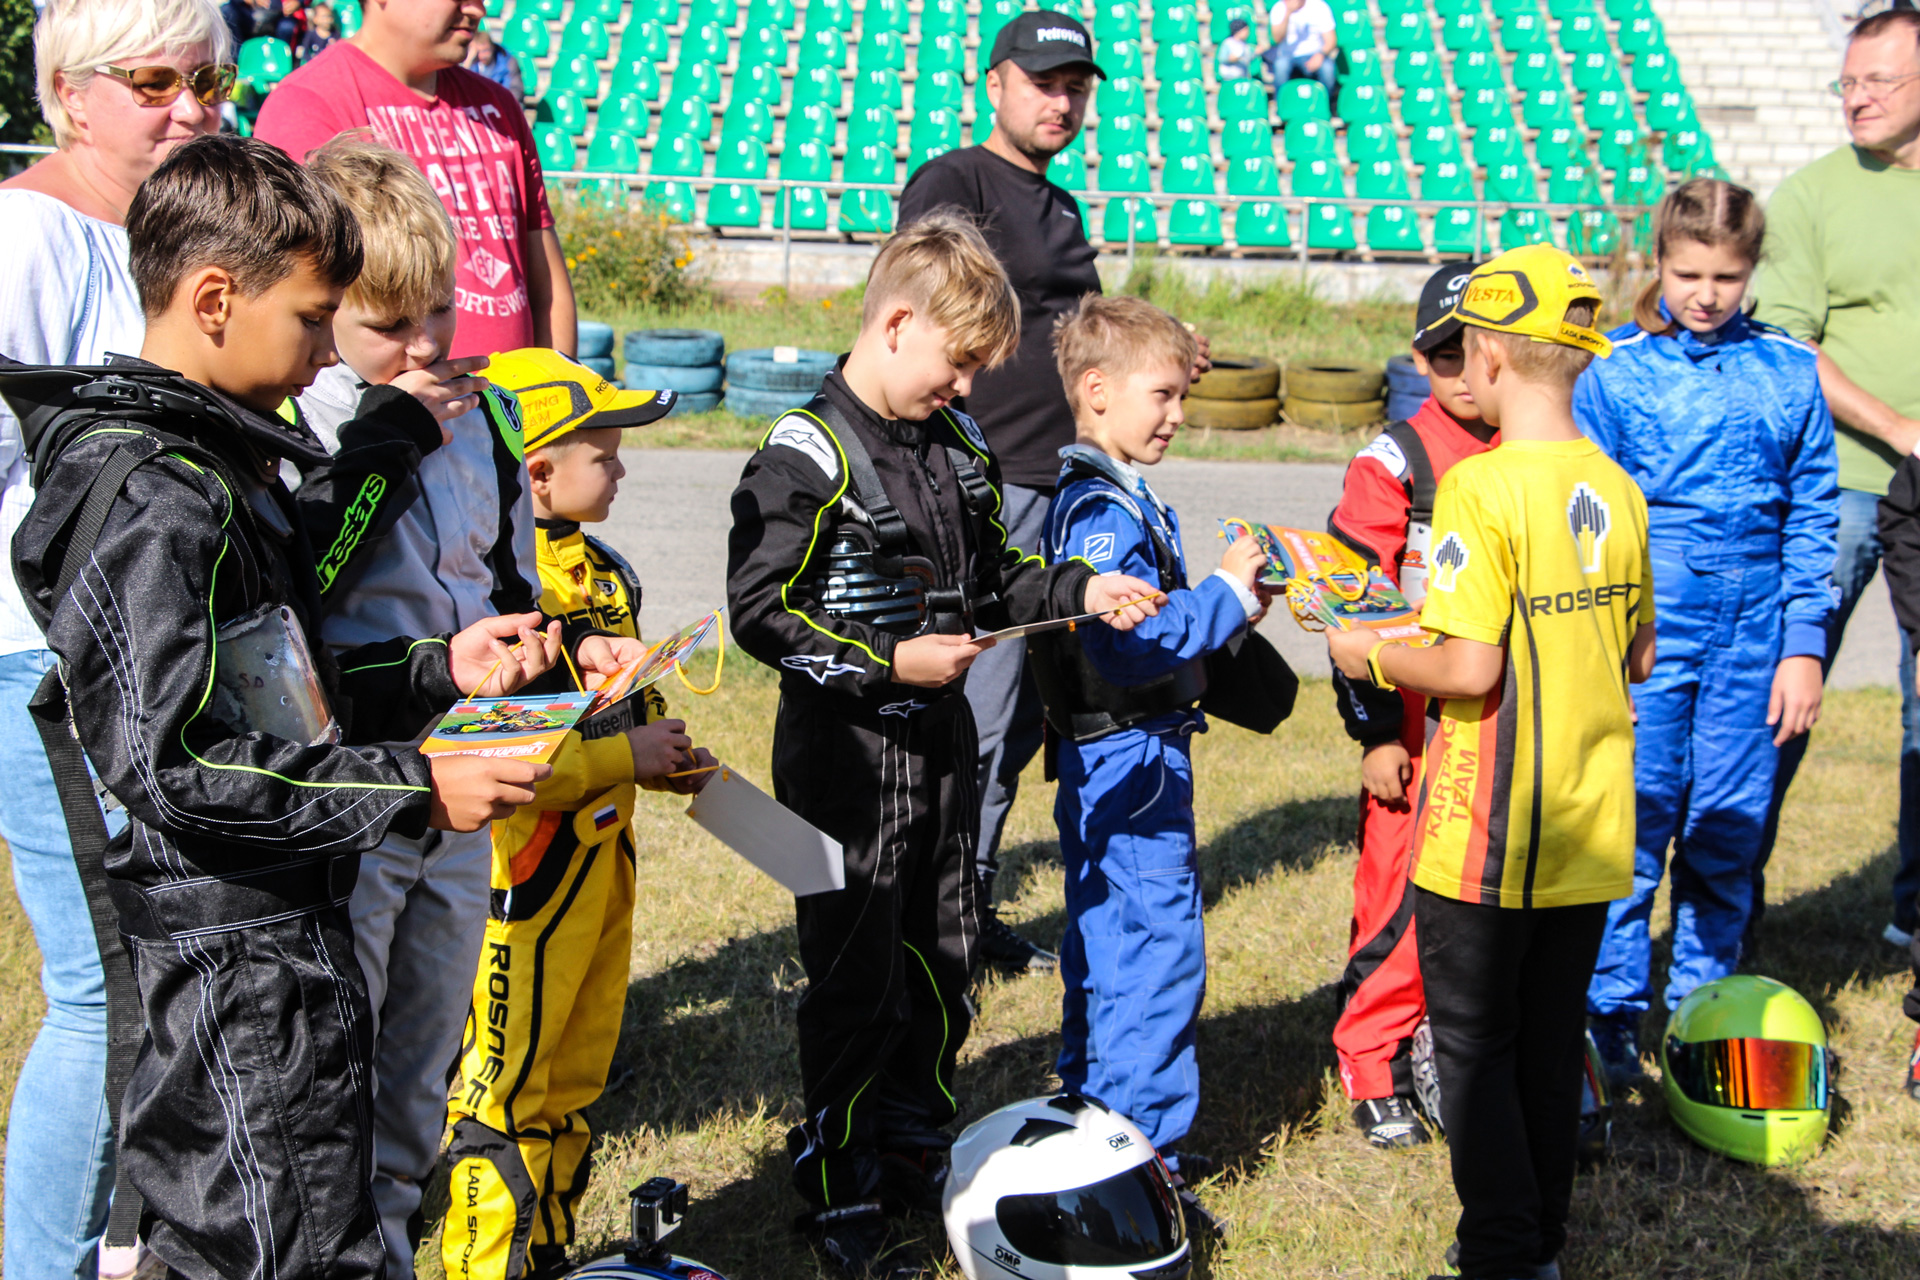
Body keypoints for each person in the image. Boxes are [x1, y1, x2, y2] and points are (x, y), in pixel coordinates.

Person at [4, 132, 563, 1280]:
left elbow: (277, 690)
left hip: (288, 941)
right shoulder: (154, 499)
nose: (323, 352)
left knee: (317, 1222)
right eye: (314, 318)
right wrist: (414, 784)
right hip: (231, 980)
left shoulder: (219, 466)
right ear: (215, 299)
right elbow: (181, 759)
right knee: (272, 1244)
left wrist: (433, 669)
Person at [725, 214, 1161, 1280]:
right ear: (897, 324)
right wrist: (887, 660)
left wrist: (1081, 588)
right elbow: (759, 612)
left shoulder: (957, 443)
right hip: (843, 761)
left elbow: (1001, 577)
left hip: (945, 751)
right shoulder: (802, 455)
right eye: (958, 363)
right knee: (854, 973)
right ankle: (841, 1177)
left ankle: (917, 1140)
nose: (966, 387)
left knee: (945, 950)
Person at [1327, 245, 1655, 1280]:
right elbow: (1640, 654)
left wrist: (1371, 651)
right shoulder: (1618, 485)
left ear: (1489, 358)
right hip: (1593, 820)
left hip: (1490, 827)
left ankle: (1503, 1254)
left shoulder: (1479, 488)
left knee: (1475, 1045)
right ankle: (1539, 1242)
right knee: (1553, 1043)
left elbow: (1468, 668)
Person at [293, 134, 550, 1280]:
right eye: (389, 324)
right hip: (357, 781)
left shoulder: (487, 414)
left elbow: (508, 580)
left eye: (440, 310)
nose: (428, 345)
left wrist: (564, 641)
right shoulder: (305, 416)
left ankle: (394, 1240)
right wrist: (387, 435)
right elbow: (306, 589)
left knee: (425, 1047)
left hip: (466, 777)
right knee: (336, 1050)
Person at [898, 11, 1204, 974]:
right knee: (987, 715)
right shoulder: (953, 182)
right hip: (990, 482)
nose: (1062, 101)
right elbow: (915, 311)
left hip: (1063, 483)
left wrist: (1158, 350)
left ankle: (969, 900)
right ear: (995, 84)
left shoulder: (1062, 207)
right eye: (1043, 81)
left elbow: (1080, 336)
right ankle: (945, 916)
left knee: (1038, 713)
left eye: (1075, 85)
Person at [0, 4, 229, 1277]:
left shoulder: (178, 232)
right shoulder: (22, 236)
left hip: (164, 648)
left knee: (164, 961)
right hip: (45, 660)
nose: (191, 106)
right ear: (68, 94)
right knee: (102, 986)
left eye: (211, 79)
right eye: (154, 80)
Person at [441, 348, 717, 1280]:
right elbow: (502, 760)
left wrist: (662, 755)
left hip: (606, 857)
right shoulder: (502, 591)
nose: (624, 468)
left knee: (574, 1076)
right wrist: (621, 758)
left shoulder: (604, 572)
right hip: (527, 869)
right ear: (537, 472)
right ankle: (486, 1269)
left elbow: (621, 703)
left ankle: (550, 1253)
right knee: (505, 1090)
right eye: (607, 451)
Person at [1577, 178, 1839, 1086]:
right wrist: (1611, 637)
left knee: (1729, 828)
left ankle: (1705, 1014)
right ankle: (1609, 1017)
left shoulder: (1790, 370)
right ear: (1658, 260)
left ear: (1752, 270)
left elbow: (1814, 512)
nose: (1706, 295)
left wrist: (1803, 645)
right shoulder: (1613, 370)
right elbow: (1591, 516)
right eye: (1688, 274)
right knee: (1634, 820)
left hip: (1757, 630)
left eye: (1726, 277)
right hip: (1649, 623)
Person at [1037, 295, 1268, 1227]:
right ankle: (1142, 1164)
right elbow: (1126, 643)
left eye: (1183, 395)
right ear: (1096, 391)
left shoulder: (1110, 490)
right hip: (1128, 763)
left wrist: (1228, 609)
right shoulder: (1101, 509)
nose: (1177, 414)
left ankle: (1096, 1119)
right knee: (1155, 954)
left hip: (1124, 755)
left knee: (1109, 943)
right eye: (1162, 395)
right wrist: (1221, 596)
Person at [1752, 7, 1920, 955]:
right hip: (1842, 488)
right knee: (1786, 690)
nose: (1856, 98)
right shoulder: (1812, 195)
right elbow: (1787, 347)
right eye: (1846, 82)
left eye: (1878, 81)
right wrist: (1899, 429)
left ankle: (1915, 915)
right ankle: (1727, 898)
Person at [1325, 261, 1496, 1151]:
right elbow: (1347, 608)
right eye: (1446, 355)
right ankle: (1371, 1056)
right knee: (1399, 900)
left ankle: (1455, 1040)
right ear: (1421, 360)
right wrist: (1373, 732)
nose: (1466, 373)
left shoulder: (1535, 448)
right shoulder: (1395, 460)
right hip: (1416, 725)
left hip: (1503, 723)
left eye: (1482, 353)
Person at [254, 0, 577, 358]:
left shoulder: (499, 106)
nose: (477, 9)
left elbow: (547, 288)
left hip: (519, 393)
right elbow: (299, 308)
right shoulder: (307, 104)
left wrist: (563, 383)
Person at [1264, 0, 1339, 111]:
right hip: (1288, 56)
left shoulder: (1319, 6)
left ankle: (1326, 106)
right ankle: (1281, 106)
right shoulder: (1279, 8)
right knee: (1281, 66)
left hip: (1315, 54)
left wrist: (1320, 55)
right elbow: (1277, 38)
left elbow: (1331, 40)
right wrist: (1288, 13)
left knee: (1328, 68)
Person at [463, 21, 522, 98]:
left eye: (486, 50)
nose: (483, 56)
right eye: (479, 52)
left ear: (493, 47)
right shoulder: (472, 64)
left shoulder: (509, 62)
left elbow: (515, 91)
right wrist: (468, 62)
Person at [1216, 16, 1254, 81]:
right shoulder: (1228, 42)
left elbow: (1247, 59)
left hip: (1242, 75)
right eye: (1245, 30)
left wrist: (1256, 53)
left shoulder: (1245, 44)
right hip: (1229, 76)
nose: (1247, 32)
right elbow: (1222, 58)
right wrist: (1232, 59)